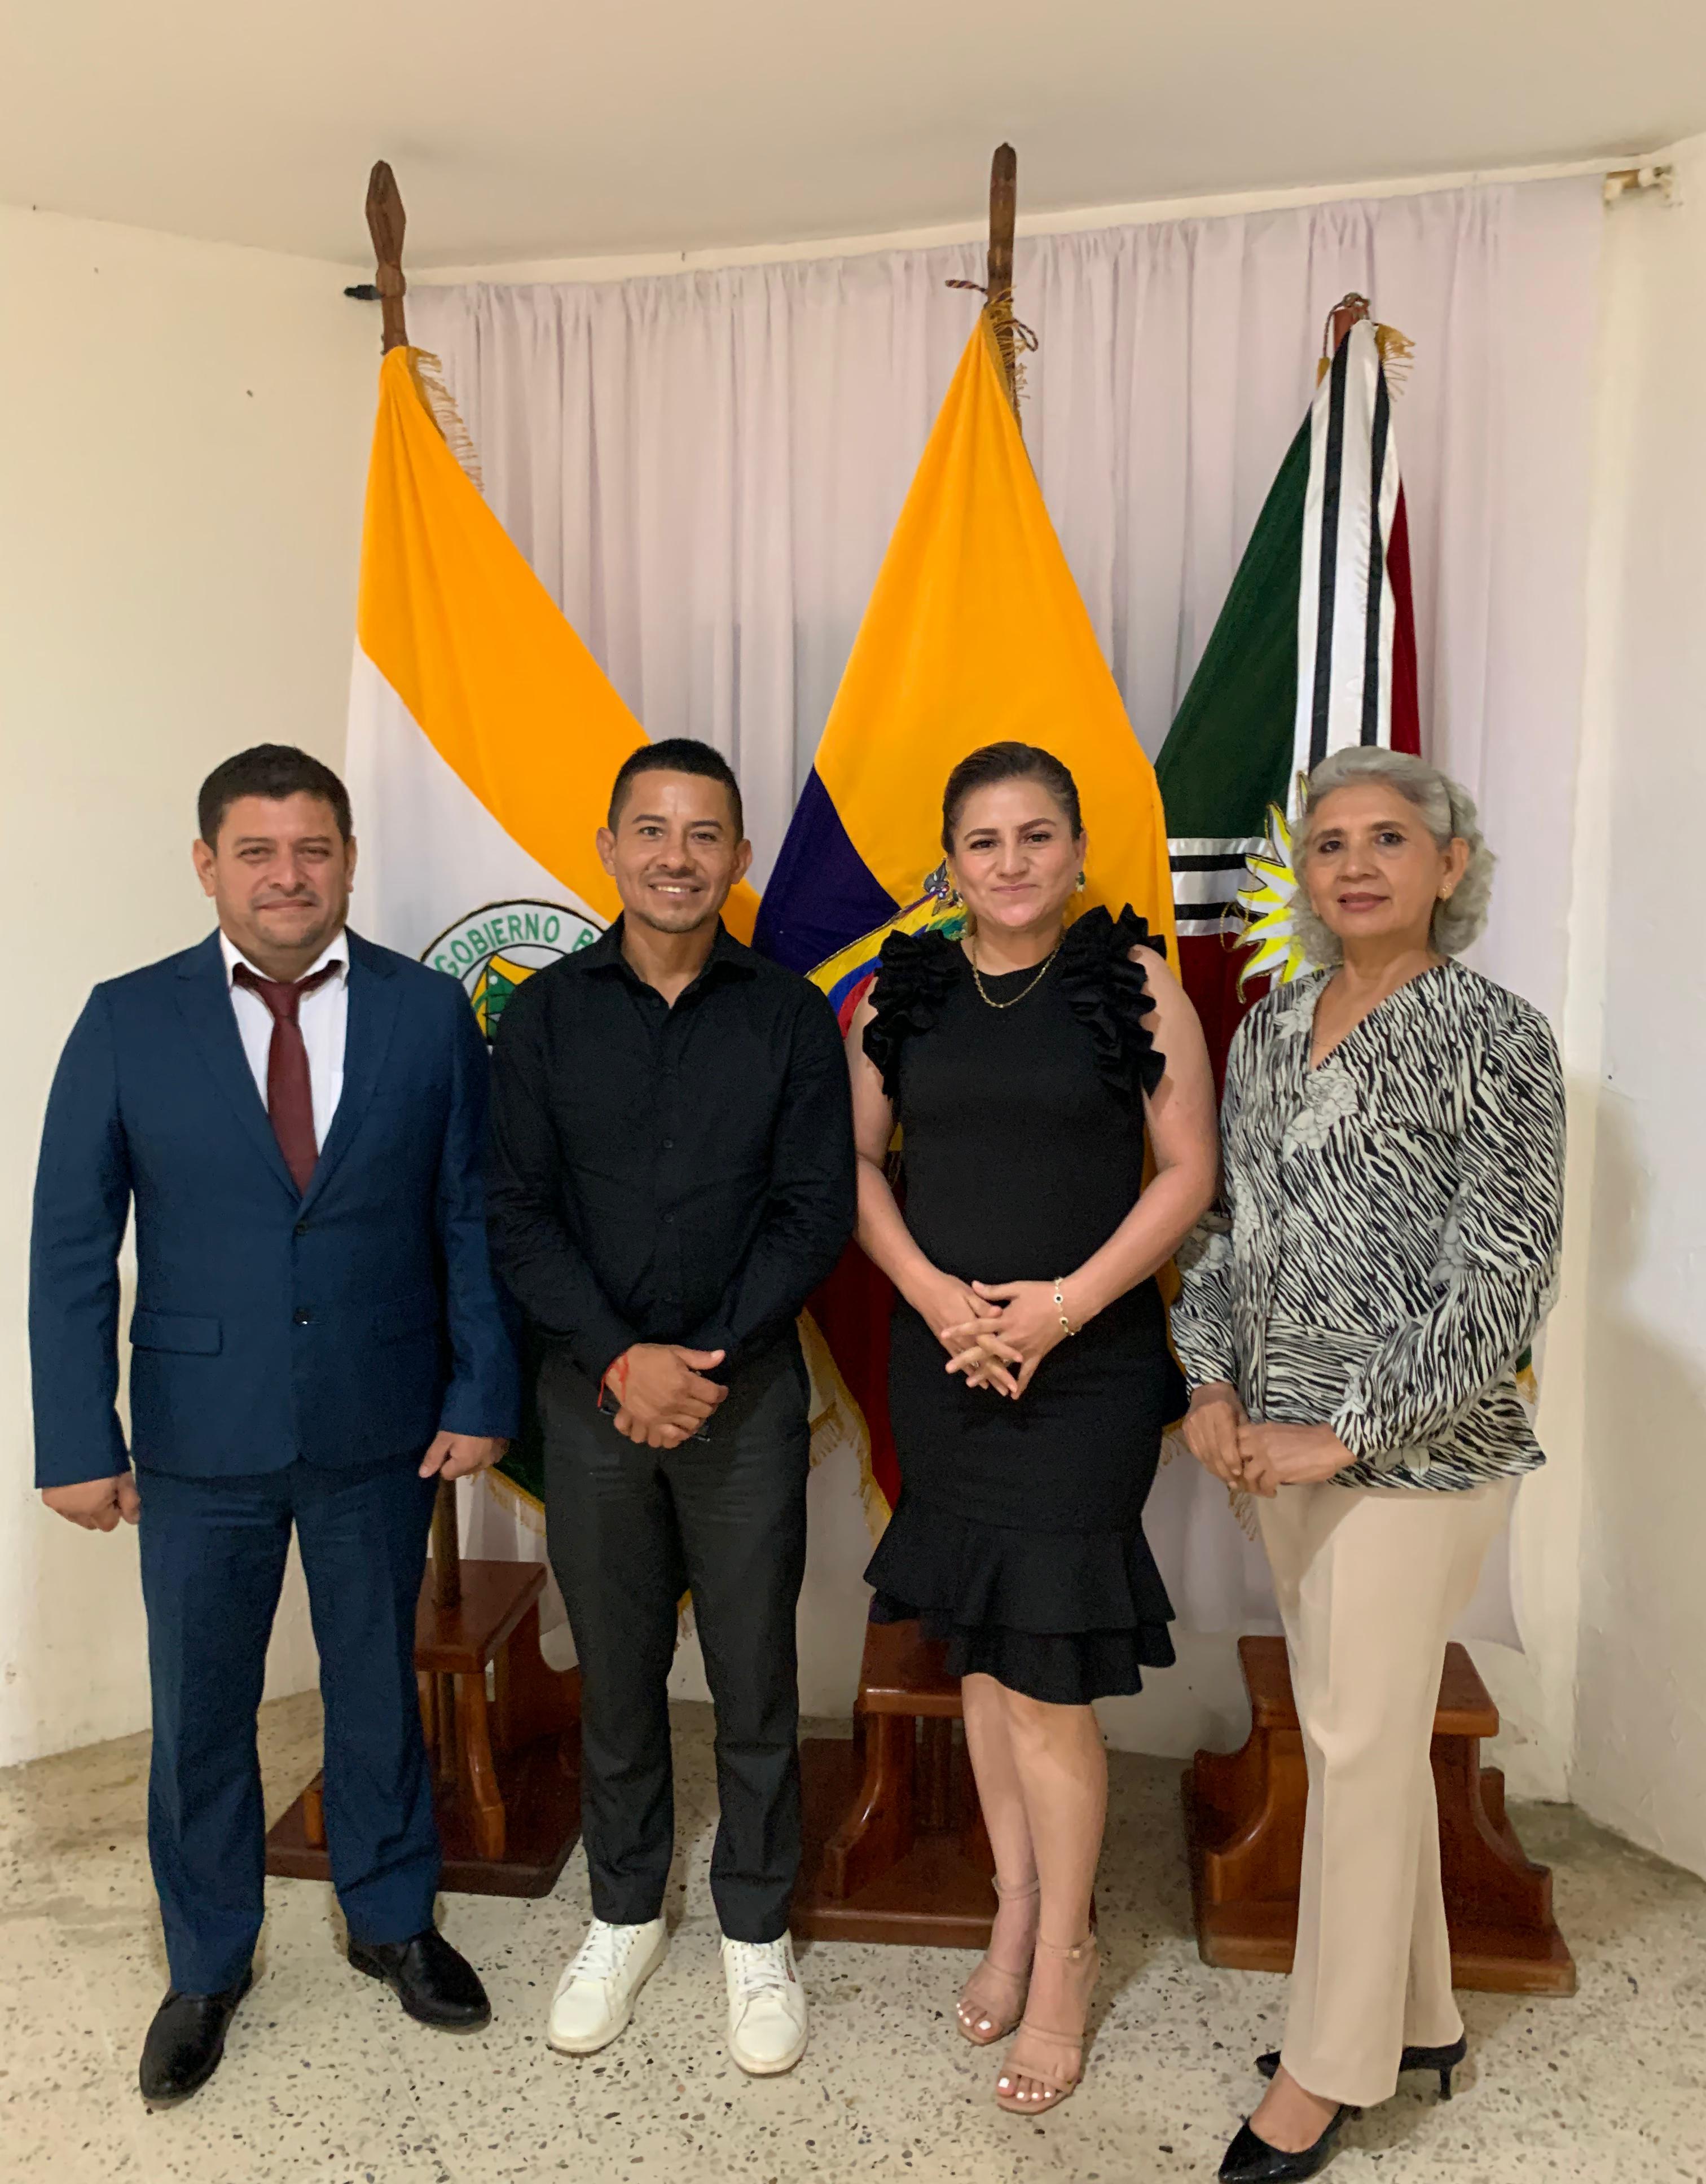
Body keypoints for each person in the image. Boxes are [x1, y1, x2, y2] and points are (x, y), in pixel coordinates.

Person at [30, 745, 516, 2107]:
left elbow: (468, 1215)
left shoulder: (429, 1013)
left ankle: (392, 1921)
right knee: (201, 1711)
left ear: (348, 862)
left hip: (382, 1421)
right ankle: (205, 1963)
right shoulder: (127, 1019)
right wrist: (76, 1437)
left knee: (376, 1690)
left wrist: (482, 1390)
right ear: (208, 867)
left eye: (313, 850)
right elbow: (71, 1244)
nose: (287, 876)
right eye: (257, 852)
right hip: (199, 1437)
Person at [1173, 746, 1567, 2184]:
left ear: (1449, 866)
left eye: (1389, 839)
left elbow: (1506, 1281)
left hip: (1417, 1457)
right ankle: (1423, 2017)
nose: (1355, 864)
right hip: (1273, 1453)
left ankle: (1328, 2074)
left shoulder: (1497, 1036)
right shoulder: (1272, 1028)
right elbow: (1229, 1233)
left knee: (1351, 1746)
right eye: (1331, 841)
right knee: (1366, 1735)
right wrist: (1208, 1379)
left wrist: (1347, 1429)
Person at [845, 741, 1217, 2116]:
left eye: (1036, 836)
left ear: (1076, 850)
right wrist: (941, 1299)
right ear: (949, 863)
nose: (1011, 863)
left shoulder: (1137, 987)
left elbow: (1189, 1172)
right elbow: (854, 1166)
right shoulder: (902, 992)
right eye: (983, 841)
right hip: (945, 1364)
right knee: (985, 1664)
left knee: (1049, 1682)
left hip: (1084, 1373)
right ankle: (1014, 1908)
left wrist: (1059, 1309)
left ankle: (1065, 1955)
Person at [486, 737, 855, 2078]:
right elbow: (514, 1211)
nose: (676, 858)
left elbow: (813, 1210)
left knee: (756, 1672)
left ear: (740, 858)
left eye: (705, 836)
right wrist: (618, 1361)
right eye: (652, 830)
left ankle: (755, 1929)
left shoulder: (788, 1016)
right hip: (591, 1399)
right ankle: (625, 1912)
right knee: (618, 1668)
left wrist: (697, 1360)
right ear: (609, 848)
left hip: (742, 1397)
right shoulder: (543, 1017)